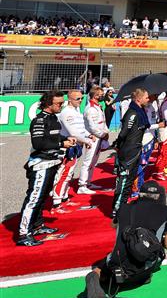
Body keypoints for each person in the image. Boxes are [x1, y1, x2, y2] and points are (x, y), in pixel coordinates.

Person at [84, 181, 167, 298]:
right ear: (159, 196)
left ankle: (97, 273)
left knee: (109, 258)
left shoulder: (124, 208)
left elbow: (113, 225)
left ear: (140, 194)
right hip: (143, 265)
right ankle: (144, 275)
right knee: (157, 250)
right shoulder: (165, 210)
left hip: (117, 262)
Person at [17, 91, 78, 246]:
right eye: (58, 103)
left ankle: (37, 226)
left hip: (53, 162)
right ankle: (24, 234)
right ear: (48, 104)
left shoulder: (54, 118)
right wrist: (60, 144)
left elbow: (55, 137)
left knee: (43, 197)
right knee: (34, 198)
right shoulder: (39, 120)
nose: (61, 106)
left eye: (62, 103)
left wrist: (66, 139)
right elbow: (38, 144)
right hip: (40, 164)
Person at [113, 89, 162, 223]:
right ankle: (117, 211)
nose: (148, 99)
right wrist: (119, 149)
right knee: (124, 182)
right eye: (146, 97)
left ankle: (124, 208)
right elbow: (123, 134)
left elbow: (143, 127)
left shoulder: (140, 112)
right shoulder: (132, 113)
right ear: (138, 99)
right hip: (128, 153)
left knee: (129, 182)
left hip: (135, 150)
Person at [52, 89, 91, 211]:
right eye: (77, 99)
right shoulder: (67, 112)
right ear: (70, 99)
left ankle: (64, 197)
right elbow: (73, 132)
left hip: (76, 146)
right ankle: (56, 202)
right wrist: (87, 141)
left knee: (70, 173)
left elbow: (81, 128)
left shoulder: (76, 111)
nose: (80, 101)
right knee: (64, 174)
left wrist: (88, 136)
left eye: (81, 98)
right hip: (68, 148)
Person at [79, 86, 110, 195]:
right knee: (88, 162)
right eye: (101, 94)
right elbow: (92, 127)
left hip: (99, 137)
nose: (102, 96)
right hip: (92, 138)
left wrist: (106, 132)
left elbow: (103, 122)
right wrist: (102, 135)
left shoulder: (98, 107)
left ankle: (88, 182)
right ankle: (82, 185)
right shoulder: (90, 108)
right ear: (95, 95)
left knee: (94, 161)